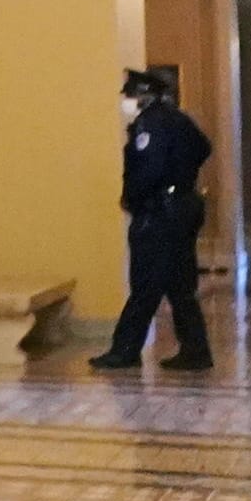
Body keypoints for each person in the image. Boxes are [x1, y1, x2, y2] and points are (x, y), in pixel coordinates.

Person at [91, 68, 214, 372]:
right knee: (180, 284)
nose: (128, 101)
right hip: (183, 207)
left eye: (131, 95)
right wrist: (182, 175)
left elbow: (148, 170)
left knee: (145, 283)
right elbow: (203, 148)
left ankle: (125, 351)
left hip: (159, 213)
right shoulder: (178, 119)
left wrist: (131, 198)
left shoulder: (150, 123)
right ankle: (195, 350)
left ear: (144, 94)